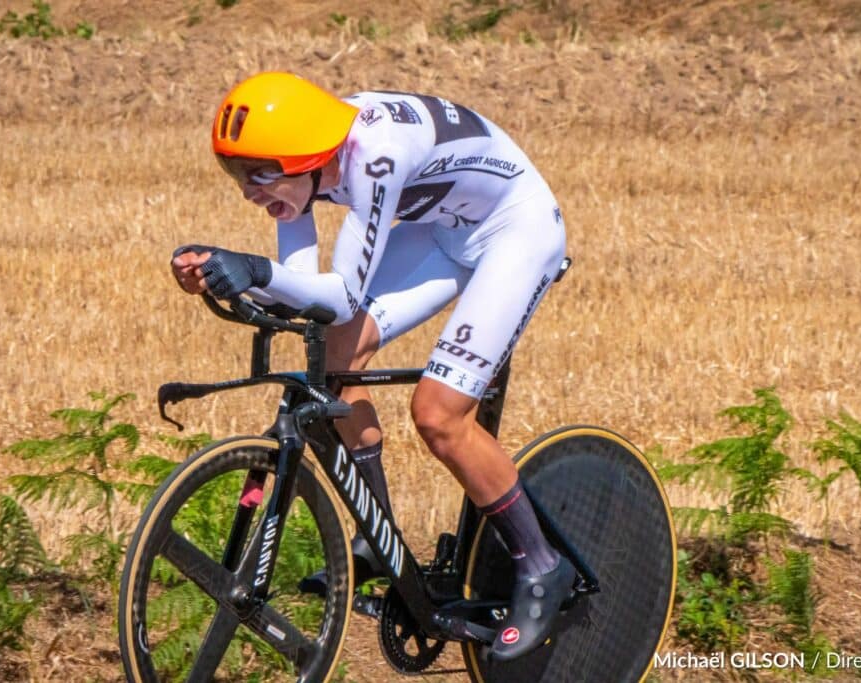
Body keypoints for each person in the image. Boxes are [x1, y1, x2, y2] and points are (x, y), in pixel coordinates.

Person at [171, 71, 573, 661]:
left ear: (306, 158)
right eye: (238, 175)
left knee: (439, 415)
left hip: (516, 230)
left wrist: (254, 270)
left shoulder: (375, 157)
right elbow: (304, 293)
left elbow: (340, 297)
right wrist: (221, 273)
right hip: (445, 230)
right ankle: (377, 539)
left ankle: (542, 566)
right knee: (335, 355)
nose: (250, 192)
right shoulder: (304, 165)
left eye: (260, 174)